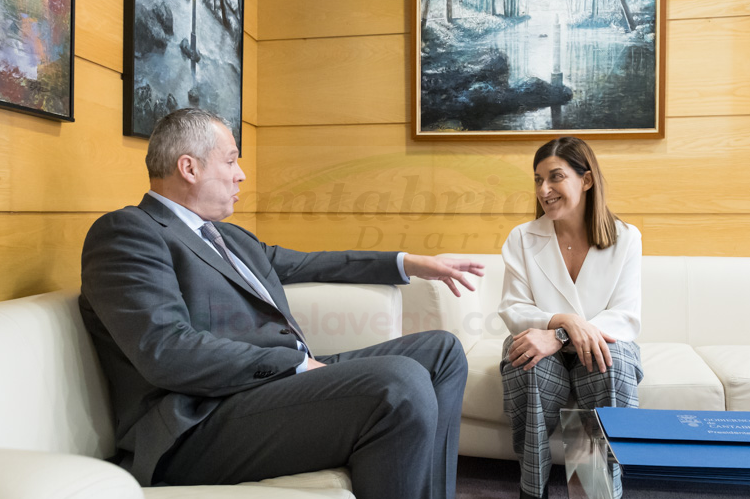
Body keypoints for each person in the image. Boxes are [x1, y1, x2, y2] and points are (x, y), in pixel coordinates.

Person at [79, 108, 484, 499]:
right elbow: (167, 351)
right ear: (190, 168)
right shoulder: (128, 232)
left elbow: (315, 263)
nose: (241, 175)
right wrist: (293, 362)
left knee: (441, 352)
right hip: (198, 421)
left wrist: (410, 263)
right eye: (231, 161)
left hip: (269, 389)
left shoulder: (231, 238)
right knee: (399, 382)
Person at [498, 137, 644, 499]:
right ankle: (532, 489)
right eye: (537, 179)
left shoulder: (626, 238)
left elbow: (625, 316)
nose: (544, 189)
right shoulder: (522, 238)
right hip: (539, 341)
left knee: (611, 365)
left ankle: (599, 491)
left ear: (587, 180)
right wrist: (563, 320)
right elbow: (514, 308)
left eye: (555, 177)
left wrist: (563, 335)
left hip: (599, 344)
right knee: (526, 362)